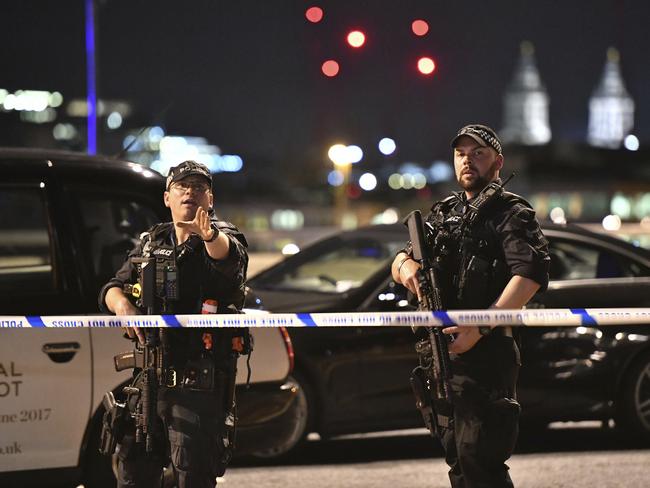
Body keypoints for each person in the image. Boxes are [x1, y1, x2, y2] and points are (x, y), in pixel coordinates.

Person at [392, 124, 550, 488]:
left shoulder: (510, 211)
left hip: (487, 353)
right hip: (442, 353)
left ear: (497, 162)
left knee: (481, 459)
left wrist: (479, 328)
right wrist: (406, 267)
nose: (468, 160)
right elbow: (399, 258)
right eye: (461, 154)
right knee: (459, 460)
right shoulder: (444, 211)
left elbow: (529, 274)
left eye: (478, 153)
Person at [99, 160, 248, 488]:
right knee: (133, 476)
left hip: (197, 385)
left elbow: (228, 257)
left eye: (199, 188)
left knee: (192, 477)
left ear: (210, 199)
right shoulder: (152, 241)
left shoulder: (221, 238)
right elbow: (111, 288)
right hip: (148, 380)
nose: (190, 194)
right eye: (182, 187)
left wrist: (209, 235)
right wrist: (123, 306)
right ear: (167, 197)